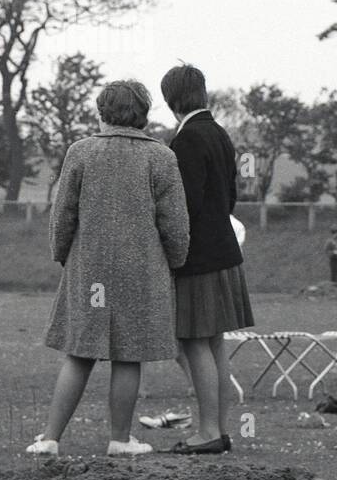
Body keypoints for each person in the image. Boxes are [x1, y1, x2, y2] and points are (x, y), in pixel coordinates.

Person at [28, 81, 190, 456]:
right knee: (128, 354)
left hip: (89, 268)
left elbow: (63, 213)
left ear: (102, 111)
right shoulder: (162, 157)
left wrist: (62, 253)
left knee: (79, 352)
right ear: (143, 113)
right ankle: (120, 440)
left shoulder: (80, 152)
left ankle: (50, 438)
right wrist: (176, 261)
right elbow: (175, 224)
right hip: (144, 269)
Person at [159, 64, 255, 455]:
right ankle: (218, 428)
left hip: (198, 257)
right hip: (224, 251)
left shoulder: (187, 141)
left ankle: (208, 432)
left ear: (171, 99)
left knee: (195, 341)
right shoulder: (218, 133)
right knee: (213, 343)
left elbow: (185, 207)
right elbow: (229, 197)